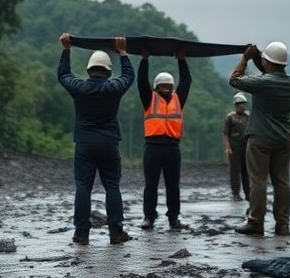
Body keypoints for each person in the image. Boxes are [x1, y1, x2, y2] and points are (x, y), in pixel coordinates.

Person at [58, 33, 135, 245]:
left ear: (89, 69)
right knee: (112, 187)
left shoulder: (79, 88)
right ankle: (116, 233)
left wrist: (66, 50)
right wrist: (123, 53)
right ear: (108, 70)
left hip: (84, 144)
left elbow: (63, 75)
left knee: (83, 188)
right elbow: (129, 76)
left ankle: (81, 234)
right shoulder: (114, 88)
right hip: (109, 144)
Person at [229, 41, 290, 236]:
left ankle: (255, 222)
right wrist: (260, 58)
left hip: (260, 138)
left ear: (266, 63)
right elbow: (271, 71)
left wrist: (246, 57)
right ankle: (282, 225)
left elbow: (234, 80)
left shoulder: (261, 83)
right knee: (282, 182)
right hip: (283, 138)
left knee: (258, 181)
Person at [137, 48, 191, 230]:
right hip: (152, 147)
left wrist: (181, 60)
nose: (167, 89)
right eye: (164, 86)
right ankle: (148, 217)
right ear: (156, 87)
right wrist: (144, 59)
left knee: (173, 186)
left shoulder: (178, 98)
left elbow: (186, 81)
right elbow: (141, 81)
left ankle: (173, 218)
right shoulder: (148, 98)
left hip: (172, 148)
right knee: (150, 185)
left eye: (169, 86)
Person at [223, 93, 250, 200]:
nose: (242, 106)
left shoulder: (248, 116)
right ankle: (235, 193)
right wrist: (227, 147)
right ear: (236, 105)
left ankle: (248, 193)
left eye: (243, 104)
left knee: (246, 171)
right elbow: (225, 133)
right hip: (234, 147)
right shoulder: (230, 117)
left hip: (246, 146)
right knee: (235, 171)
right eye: (239, 104)